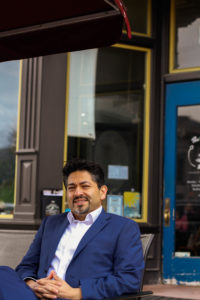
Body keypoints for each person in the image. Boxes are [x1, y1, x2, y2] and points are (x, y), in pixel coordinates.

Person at [0, 159, 144, 300]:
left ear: (102, 192)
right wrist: (34, 286)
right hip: (37, 295)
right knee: (3, 273)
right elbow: (27, 266)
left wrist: (76, 293)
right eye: (71, 187)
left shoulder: (123, 228)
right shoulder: (51, 223)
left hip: (79, 297)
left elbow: (129, 279)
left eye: (85, 186)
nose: (77, 193)